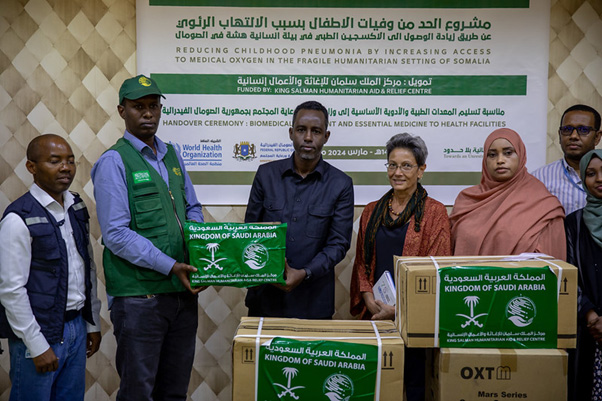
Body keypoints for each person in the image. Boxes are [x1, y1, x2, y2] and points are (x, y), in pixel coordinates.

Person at [91, 75, 205, 401]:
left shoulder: (173, 155)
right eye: (138, 107)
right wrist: (171, 266)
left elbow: (192, 208)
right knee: (139, 392)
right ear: (121, 111)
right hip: (140, 300)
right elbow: (116, 234)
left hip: (182, 296)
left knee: (174, 392)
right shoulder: (114, 161)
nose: (148, 113)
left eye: (153, 106)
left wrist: (201, 256)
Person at [349, 133, 451, 401]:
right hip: (375, 315)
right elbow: (362, 263)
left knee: (413, 384)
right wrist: (370, 301)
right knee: (374, 385)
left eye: (406, 165)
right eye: (392, 165)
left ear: (421, 170)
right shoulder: (372, 211)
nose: (397, 172)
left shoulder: (434, 213)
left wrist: (398, 310)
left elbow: (436, 270)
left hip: (414, 319)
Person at [0, 134, 101, 401]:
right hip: (38, 334)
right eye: (55, 161)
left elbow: (86, 269)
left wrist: (91, 324)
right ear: (31, 167)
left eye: (70, 161)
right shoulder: (17, 218)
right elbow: (11, 290)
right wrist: (36, 345)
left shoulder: (76, 207)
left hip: (76, 327)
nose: (65, 168)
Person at [245, 100, 354, 319]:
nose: (307, 137)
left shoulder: (341, 184)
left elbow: (338, 244)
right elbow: (249, 232)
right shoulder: (266, 175)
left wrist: (304, 273)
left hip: (314, 302)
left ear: (326, 136)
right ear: (291, 132)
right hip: (266, 298)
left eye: (316, 131)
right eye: (301, 130)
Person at [450, 128, 566, 259]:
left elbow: (551, 262)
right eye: (492, 155)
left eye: (508, 153)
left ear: (521, 155)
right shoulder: (467, 200)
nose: (500, 160)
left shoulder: (542, 203)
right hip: (467, 278)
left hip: (521, 278)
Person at [565, 149, 602, 401]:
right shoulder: (573, 224)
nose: (599, 179)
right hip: (588, 329)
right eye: (591, 174)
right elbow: (567, 275)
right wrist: (590, 316)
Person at [532, 104, 601, 215]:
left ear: (597, 137)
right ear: (559, 135)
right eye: (567, 129)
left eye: (583, 130)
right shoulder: (539, 178)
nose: (573, 136)